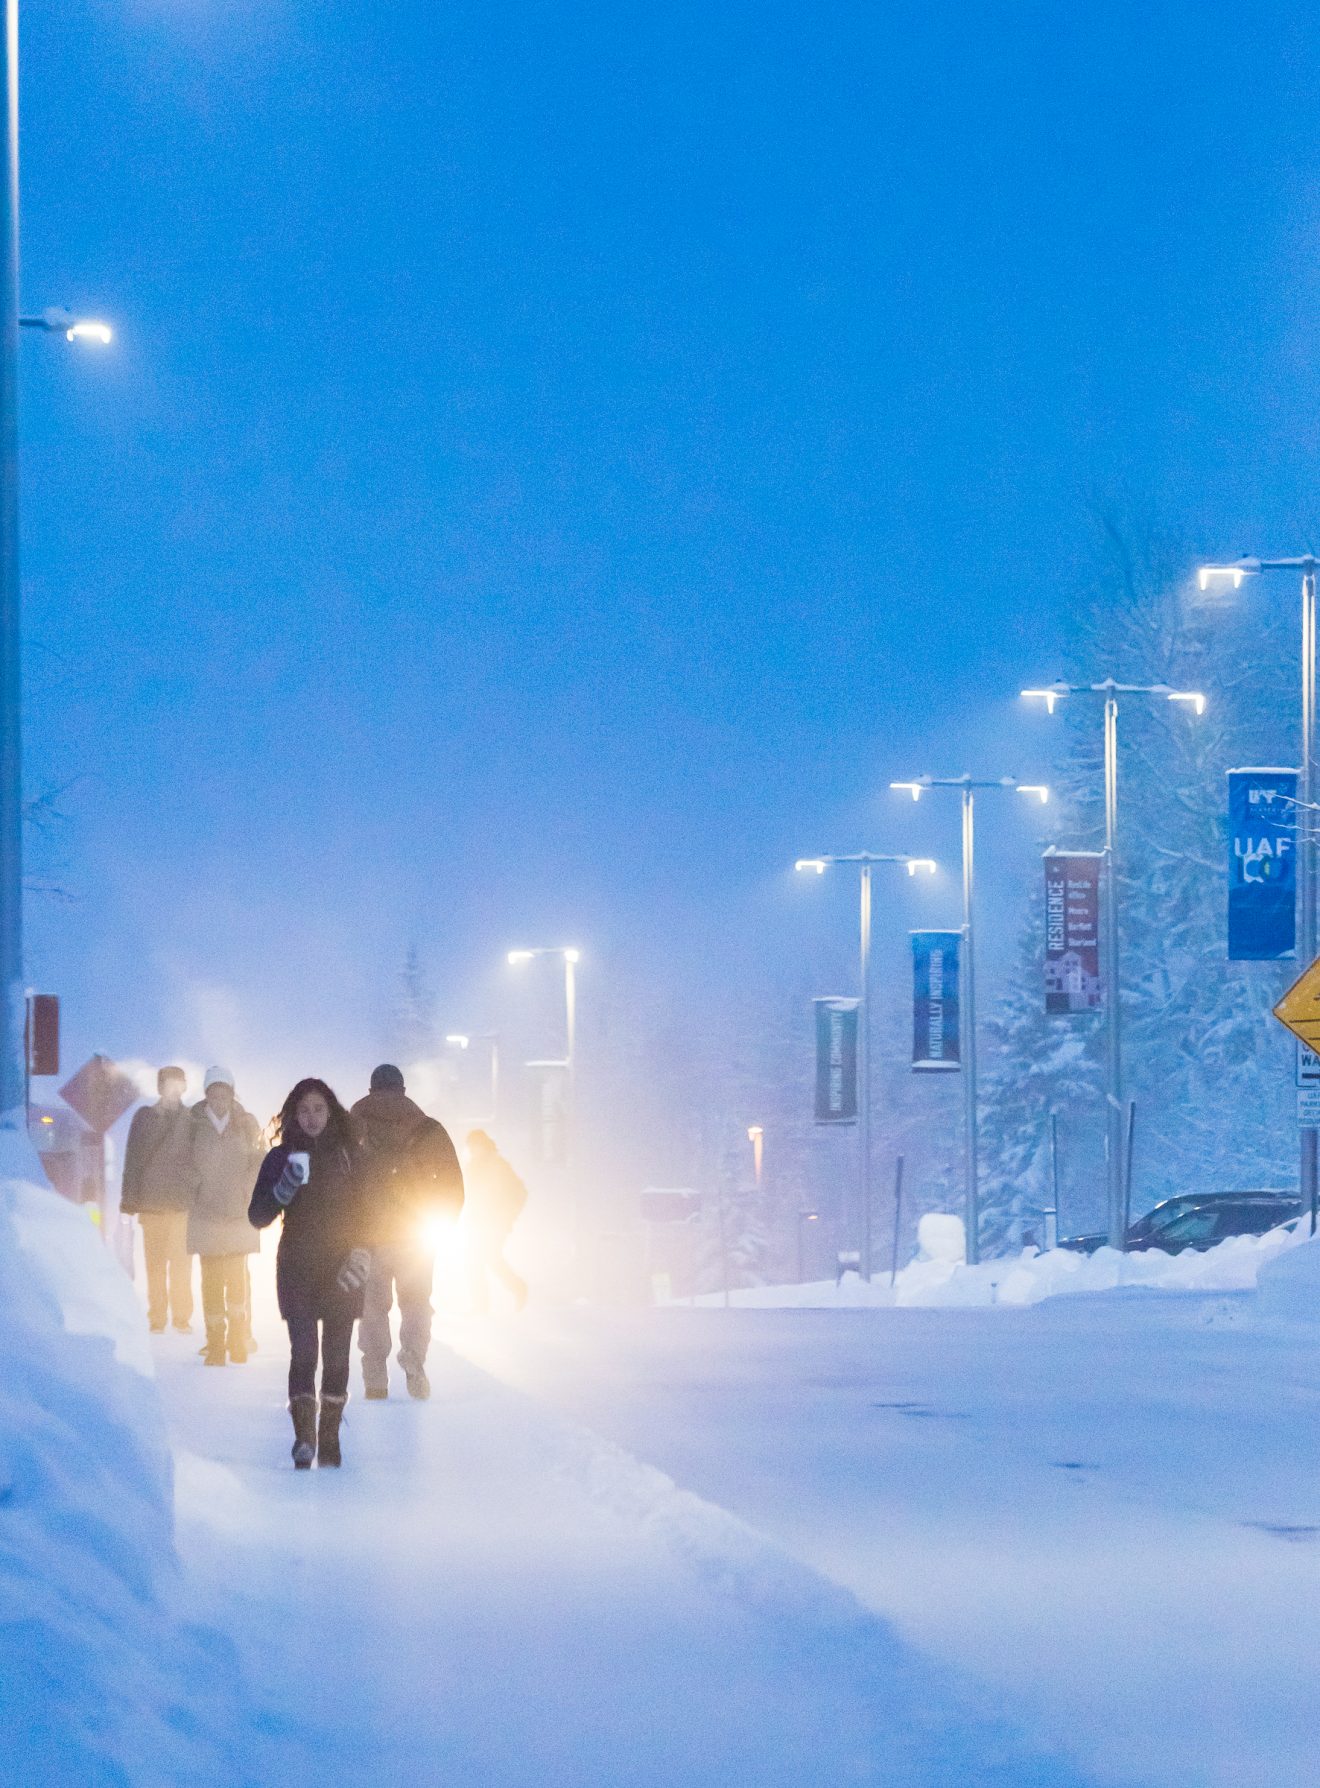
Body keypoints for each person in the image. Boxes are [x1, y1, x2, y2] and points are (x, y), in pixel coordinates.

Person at [249, 1078, 373, 1469]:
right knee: (303, 1354)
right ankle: (304, 1437)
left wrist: (362, 1253)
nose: (312, 1118)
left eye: (319, 1109)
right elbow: (258, 1216)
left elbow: (372, 1211)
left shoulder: (350, 1156)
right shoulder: (279, 1158)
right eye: (304, 1111)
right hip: (297, 1267)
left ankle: (330, 1438)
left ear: (331, 1111)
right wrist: (282, 1190)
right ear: (293, 1115)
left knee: (336, 1358)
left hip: (344, 1268)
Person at [351, 1063, 464, 1402]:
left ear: (371, 1090)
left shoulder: (350, 1127)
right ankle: (413, 1354)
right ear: (403, 1090)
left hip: (367, 1235)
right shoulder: (428, 1130)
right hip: (415, 1234)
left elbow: (335, 1181)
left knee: (372, 1306)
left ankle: (375, 1378)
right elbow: (452, 1184)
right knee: (416, 1302)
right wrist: (443, 1219)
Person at [187, 1066, 263, 1367]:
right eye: (213, 1092)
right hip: (205, 1213)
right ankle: (216, 1344)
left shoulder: (246, 1123)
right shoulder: (191, 1123)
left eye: (224, 1092)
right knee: (210, 1281)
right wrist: (196, 1186)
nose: (219, 1098)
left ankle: (238, 1340)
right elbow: (181, 1162)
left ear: (232, 1094)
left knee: (236, 1281)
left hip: (238, 1214)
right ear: (206, 1094)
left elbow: (260, 1159)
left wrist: (247, 1190)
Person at [120, 1066, 195, 1333]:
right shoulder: (145, 1117)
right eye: (169, 1083)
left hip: (181, 1204)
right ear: (160, 1086)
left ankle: (182, 1317)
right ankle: (157, 1317)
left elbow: (199, 1161)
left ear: (184, 1086)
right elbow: (134, 1159)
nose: (174, 1088)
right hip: (152, 1205)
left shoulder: (191, 1119)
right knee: (155, 1266)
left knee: (181, 1266)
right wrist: (129, 1200)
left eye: (178, 1083)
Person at [463, 1130, 529, 1314]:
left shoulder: (498, 1165)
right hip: (476, 1223)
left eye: (475, 1146)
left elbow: (521, 1192)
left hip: (495, 1224)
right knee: (479, 1261)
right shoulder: (471, 1167)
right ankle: (483, 1305)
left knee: (485, 1259)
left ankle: (515, 1289)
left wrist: (507, 1215)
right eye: (470, 1146)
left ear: (483, 1145)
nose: (472, 1150)